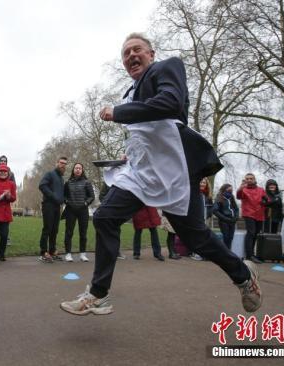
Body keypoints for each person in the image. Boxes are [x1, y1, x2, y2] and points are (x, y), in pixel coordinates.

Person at [60, 32, 261, 316]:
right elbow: (147, 134)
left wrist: (119, 112)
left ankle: (242, 275)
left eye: (136, 49)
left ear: (151, 54)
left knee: (195, 238)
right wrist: (129, 155)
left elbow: (171, 104)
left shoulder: (168, 67)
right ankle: (98, 293)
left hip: (175, 171)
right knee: (105, 217)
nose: (131, 55)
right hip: (141, 172)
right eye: (125, 53)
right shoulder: (131, 92)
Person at [63, 162, 95, 262]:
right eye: (76, 168)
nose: (77, 170)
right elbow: (64, 196)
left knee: (83, 233)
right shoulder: (68, 183)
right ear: (73, 170)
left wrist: (85, 203)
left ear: (82, 170)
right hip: (70, 210)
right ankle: (68, 254)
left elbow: (92, 196)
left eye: (80, 168)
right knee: (69, 232)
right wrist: (67, 202)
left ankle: (82, 254)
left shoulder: (87, 182)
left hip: (83, 211)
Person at [38, 156, 67, 263]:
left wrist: (62, 199)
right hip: (48, 205)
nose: (63, 165)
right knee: (47, 228)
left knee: (55, 229)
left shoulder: (61, 178)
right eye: (61, 163)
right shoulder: (50, 174)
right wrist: (53, 196)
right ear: (57, 163)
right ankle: (43, 252)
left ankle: (52, 250)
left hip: (57, 207)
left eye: (65, 164)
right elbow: (42, 185)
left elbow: (61, 192)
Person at [236, 173, 266, 264]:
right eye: (247, 178)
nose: (249, 180)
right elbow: (238, 196)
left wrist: (265, 200)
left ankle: (252, 253)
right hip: (249, 213)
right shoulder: (244, 189)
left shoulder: (261, 189)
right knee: (251, 233)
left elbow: (266, 199)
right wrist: (240, 188)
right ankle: (249, 255)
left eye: (251, 178)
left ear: (254, 179)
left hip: (259, 214)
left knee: (255, 234)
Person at [190, 178, 214, 260]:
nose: (202, 184)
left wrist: (208, 215)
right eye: (201, 182)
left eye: (204, 182)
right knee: (195, 236)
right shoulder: (194, 193)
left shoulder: (208, 196)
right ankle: (195, 253)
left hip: (205, 219)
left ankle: (202, 253)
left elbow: (211, 208)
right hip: (196, 219)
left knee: (204, 237)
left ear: (207, 184)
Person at [212, 184, 239, 250]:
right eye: (228, 189)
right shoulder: (219, 197)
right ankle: (224, 253)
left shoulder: (231, 197)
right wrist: (225, 219)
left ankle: (228, 253)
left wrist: (236, 217)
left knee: (230, 238)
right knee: (226, 237)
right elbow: (215, 210)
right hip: (224, 221)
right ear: (224, 189)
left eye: (231, 189)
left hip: (232, 220)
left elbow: (236, 208)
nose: (230, 190)